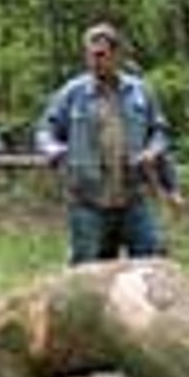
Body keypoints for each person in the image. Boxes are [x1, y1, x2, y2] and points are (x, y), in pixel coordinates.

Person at [36, 24, 171, 264]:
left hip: (133, 194)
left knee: (151, 263)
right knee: (87, 270)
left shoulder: (140, 92)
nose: (94, 61)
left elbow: (160, 132)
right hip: (88, 198)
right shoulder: (72, 93)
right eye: (90, 55)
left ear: (116, 55)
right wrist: (52, 149)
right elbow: (45, 129)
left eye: (101, 55)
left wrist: (152, 152)